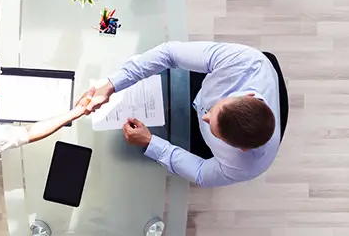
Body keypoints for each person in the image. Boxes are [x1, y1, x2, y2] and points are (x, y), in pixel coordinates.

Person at [77, 41, 283, 187]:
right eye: (214, 109)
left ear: (242, 149)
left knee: (118, 153)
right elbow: (169, 54)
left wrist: (150, 143)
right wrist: (111, 86)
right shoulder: (245, 62)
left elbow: (201, 172)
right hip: (199, 88)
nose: (205, 116)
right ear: (246, 96)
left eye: (215, 130)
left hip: (198, 139)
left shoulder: (246, 166)